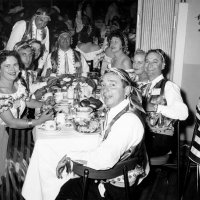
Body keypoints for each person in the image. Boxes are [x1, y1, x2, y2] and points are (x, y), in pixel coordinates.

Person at [55, 68, 148, 200]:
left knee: (70, 189)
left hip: (115, 193)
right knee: (70, 186)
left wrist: (71, 156)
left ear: (127, 90)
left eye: (112, 84)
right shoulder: (119, 112)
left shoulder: (128, 121)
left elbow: (105, 160)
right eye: (103, 84)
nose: (105, 89)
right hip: (113, 183)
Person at [0, 50, 54, 185]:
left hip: (18, 132)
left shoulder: (18, 84)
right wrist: (39, 121)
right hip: (4, 136)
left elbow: (27, 101)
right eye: (7, 66)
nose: (13, 69)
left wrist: (44, 104)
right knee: (17, 171)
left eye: (15, 65)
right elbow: (11, 122)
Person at [144, 49, 189, 157]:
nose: (149, 65)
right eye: (147, 61)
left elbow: (183, 113)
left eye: (155, 61)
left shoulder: (169, 86)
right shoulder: (146, 86)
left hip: (158, 140)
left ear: (163, 65)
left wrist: (155, 107)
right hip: (146, 136)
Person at [5, 7, 51, 76]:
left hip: (31, 65)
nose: (43, 24)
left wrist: (39, 68)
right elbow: (10, 47)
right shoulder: (22, 25)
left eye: (46, 22)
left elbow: (45, 50)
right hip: (16, 63)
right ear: (35, 16)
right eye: (41, 20)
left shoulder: (45, 29)